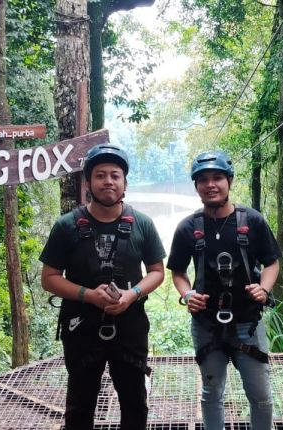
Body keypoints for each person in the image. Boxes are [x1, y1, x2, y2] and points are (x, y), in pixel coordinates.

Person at [40, 143, 165, 430]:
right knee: (80, 404)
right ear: (88, 183)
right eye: (100, 175)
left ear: (124, 183)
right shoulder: (67, 226)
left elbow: (157, 272)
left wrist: (132, 294)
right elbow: (49, 278)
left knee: (134, 401)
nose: (108, 181)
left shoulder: (142, 224)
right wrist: (87, 295)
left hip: (129, 326)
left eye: (115, 175)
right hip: (81, 326)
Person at [167, 150, 281, 430]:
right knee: (211, 393)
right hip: (207, 324)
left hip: (248, 323)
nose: (210, 184)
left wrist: (264, 290)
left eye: (217, 177)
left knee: (261, 396)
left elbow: (271, 263)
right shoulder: (188, 228)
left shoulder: (252, 222)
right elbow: (178, 272)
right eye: (203, 180)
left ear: (229, 181)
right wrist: (187, 295)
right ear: (196, 186)